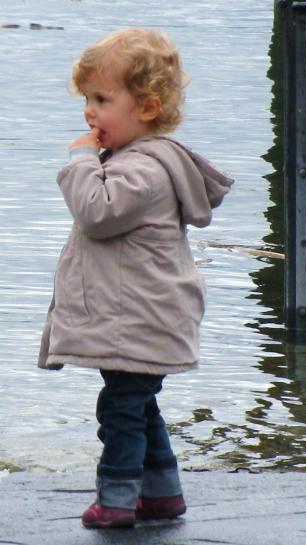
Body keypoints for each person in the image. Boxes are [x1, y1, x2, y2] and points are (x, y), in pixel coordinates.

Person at [38, 28, 234, 529]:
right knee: (139, 405)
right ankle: (162, 493)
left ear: (145, 108)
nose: (89, 111)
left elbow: (96, 212)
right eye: (87, 99)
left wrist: (82, 161)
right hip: (141, 318)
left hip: (138, 321)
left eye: (102, 99)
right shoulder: (136, 163)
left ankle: (117, 500)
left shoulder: (142, 170)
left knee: (120, 410)